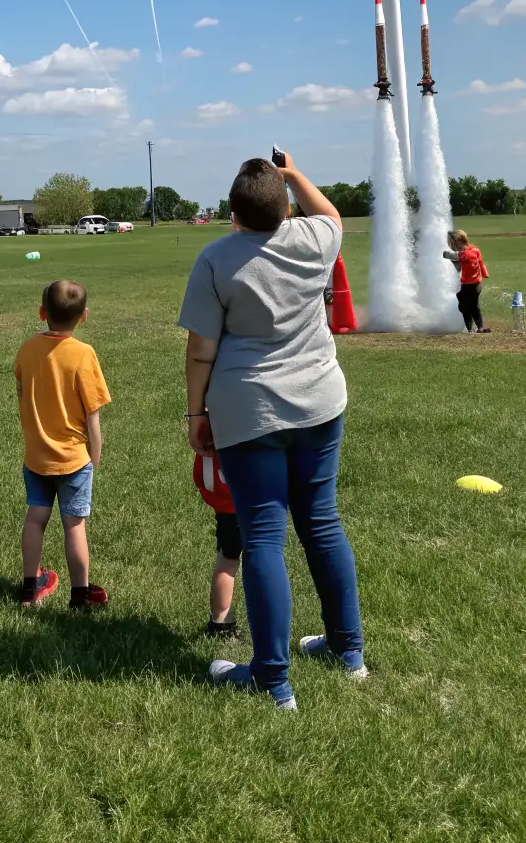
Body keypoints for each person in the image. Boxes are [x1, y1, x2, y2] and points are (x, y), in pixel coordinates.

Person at [179, 154, 365, 711]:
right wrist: (291, 173)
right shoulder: (313, 239)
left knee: (262, 537)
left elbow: (200, 350)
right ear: (285, 208)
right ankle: (346, 650)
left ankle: (272, 678)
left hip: (247, 410)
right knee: (322, 523)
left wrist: (195, 416)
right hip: (320, 401)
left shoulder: (215, 259)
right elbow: (328, 211)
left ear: (232, 213)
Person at [14, 280, 110, 609]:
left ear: (42, 313)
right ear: (83, 317)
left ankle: (30, 588)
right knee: (74, 525)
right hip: (73, 459)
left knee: (35, 518)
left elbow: (22, 392)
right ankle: (80, 595)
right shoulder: (84, 355)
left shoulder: (27, 349)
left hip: (36, 456)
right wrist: (94, 460)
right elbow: (93, 418)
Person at [192, 447, 241, 637]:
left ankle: (219, 621)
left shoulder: (210, 436)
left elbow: (200, 476)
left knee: (226, 555)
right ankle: (221, 623)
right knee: (228, 562)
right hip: (240, 503)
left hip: (223, 502)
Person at [452, 230, 490, 333]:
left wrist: (453, 259)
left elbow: (458, 267)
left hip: (469, 285)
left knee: (465, 307)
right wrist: (485, 274)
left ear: (460, 241)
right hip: (476, 284)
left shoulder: (463, 255)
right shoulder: (475, 250)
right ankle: (479, 327)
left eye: (455, 242)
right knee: (473, 305)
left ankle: (472, 329)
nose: (454, 244)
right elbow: (480, 263)